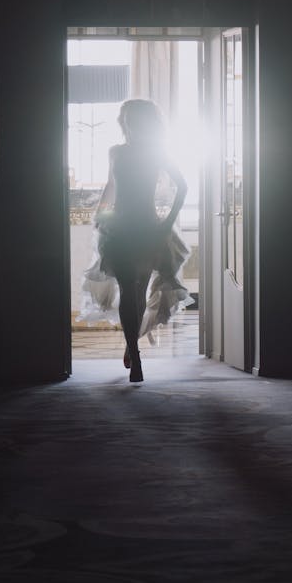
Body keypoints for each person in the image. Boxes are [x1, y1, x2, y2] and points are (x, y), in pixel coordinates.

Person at [81, 98, 191, 383]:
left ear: (144, 122)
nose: (127, 121)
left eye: (133, 117)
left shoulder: (157, 152)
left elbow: (183, 185)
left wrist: (168, 222)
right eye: (125, 117)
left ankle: (132, 345)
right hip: (118, 230)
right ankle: (136, 356)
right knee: (129, 290)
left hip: (148, 229)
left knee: (139, 292)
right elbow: (111, 187)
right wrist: (101, 215)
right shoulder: (115, 152)